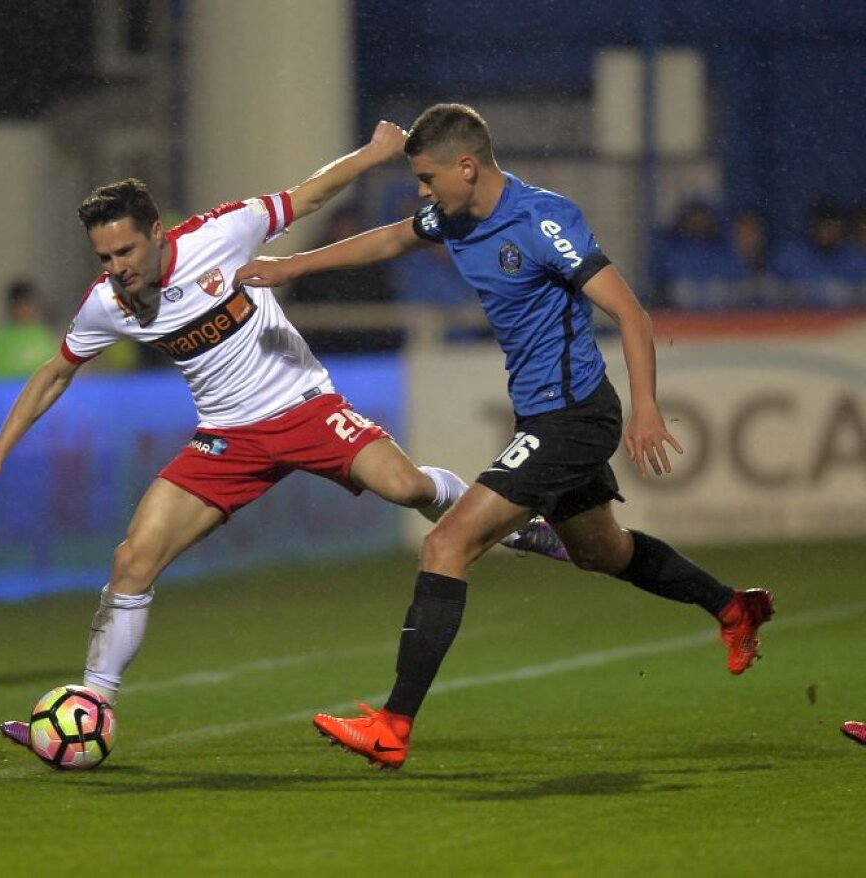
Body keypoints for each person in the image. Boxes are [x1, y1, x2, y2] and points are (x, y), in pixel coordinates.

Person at [0, 121, 566, 748]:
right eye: (104, 258)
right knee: (132, 560)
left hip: (304, 407)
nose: (116, 268)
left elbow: (307, 196)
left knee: (407, 488)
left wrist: (374, 154)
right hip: (226, 439)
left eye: (125, 252)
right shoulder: (107, 304)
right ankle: (92, 708)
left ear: (157, 233)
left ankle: (510, 523)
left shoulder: (221, 232)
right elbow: (55, 372)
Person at [234, 103, 774, 770]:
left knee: (446, 544)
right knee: (602, 550)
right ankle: (732, 607)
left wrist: (646, 410)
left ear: (466, 166)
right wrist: (290, 267)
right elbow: (392, 239)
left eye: (428, 178)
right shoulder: (453, 216)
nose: (422, 194)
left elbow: (630, 312)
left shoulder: (544, 221)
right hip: (545, 416)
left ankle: (392, 726)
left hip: (572, 417)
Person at [286, 204, 403, 354]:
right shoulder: (311, 266)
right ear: (331, 229)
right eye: (342, 227)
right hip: (320, 348)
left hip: (366, 351)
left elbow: (385, 311)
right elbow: (296, 308)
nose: (346, 234)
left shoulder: (374, 269)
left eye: (352, 228)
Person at [0, 279, 63, 379]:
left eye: (29, 304)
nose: (26, 309)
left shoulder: (45, 334)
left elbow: (58, 371)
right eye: (21, 305)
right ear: (12, 307)